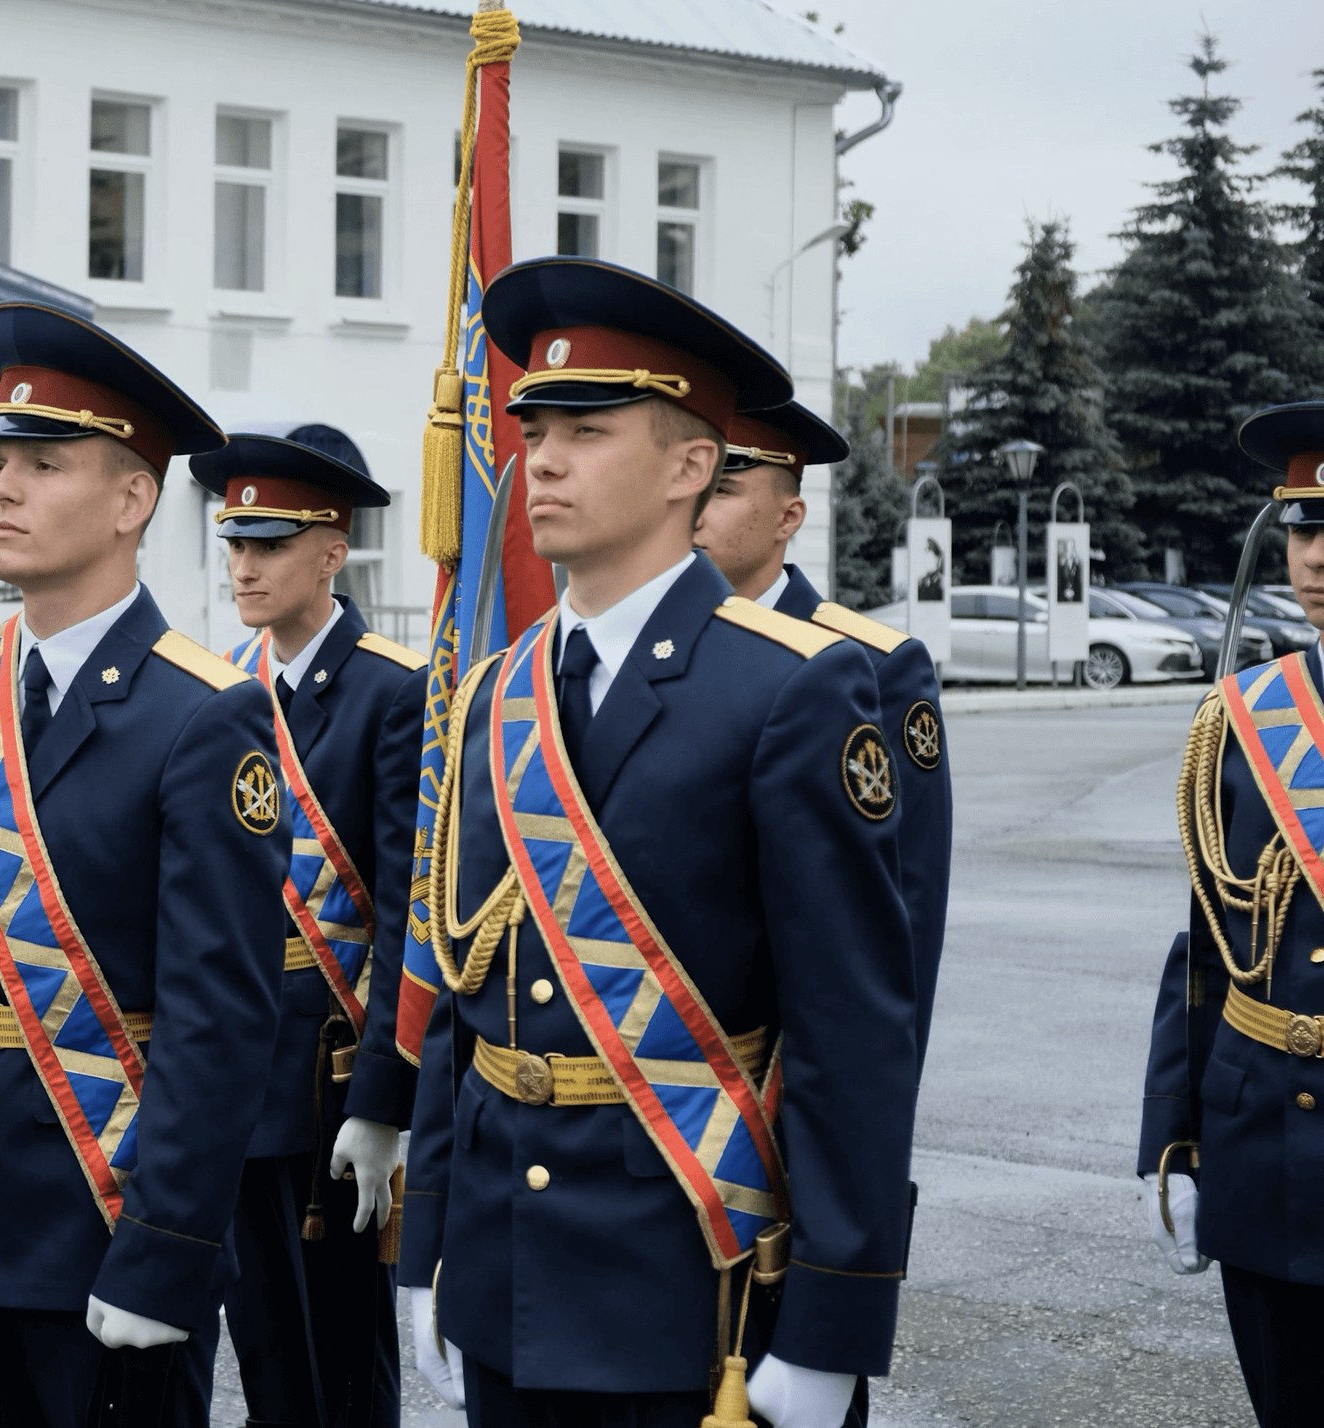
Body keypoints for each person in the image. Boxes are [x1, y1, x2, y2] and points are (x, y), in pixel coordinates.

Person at [402, 257, 920, 1428]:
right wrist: (424, 1240)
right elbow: (461, 992)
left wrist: (834, 1315)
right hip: (500, 1258)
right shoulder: (496, 692)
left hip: (685, 1268)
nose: (541, 458)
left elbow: (849, 1032)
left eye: (586, 430)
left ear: (692, 464)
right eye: (535, 428)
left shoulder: (793, 690)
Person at [0, 302, 291, 1427]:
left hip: (110, 1217)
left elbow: (221, 1017)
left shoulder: (205, 717)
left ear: (131, 500)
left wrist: (166, 1249)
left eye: (43, 464)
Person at [192, 431, 424, 1428]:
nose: (244, 565)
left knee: (339, 1363)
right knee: (262, 1355)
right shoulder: (216, 687)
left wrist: (385, 1101)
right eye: (233, 541)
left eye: (270, 543)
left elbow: (411, 912)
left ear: (332, 551)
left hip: (330, 1080)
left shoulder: (392, 690)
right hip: (232, 1067)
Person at [1145, 400, 1324, 1428]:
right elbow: (1205, 946)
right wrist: (1177, 1140)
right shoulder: (1243, 720)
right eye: (1300, 527)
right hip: (1263, 1156)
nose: (1313, 554)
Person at [696, 401, 952, 1069]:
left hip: (780, 1075)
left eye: (723, 489)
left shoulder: (876, 667)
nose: (696, 511)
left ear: (788, 517)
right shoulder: (643, 650)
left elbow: (905, 924)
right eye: (690, 484)